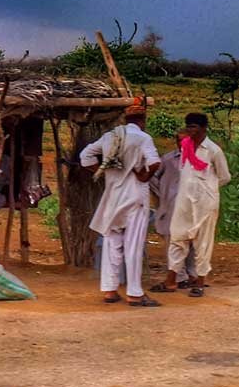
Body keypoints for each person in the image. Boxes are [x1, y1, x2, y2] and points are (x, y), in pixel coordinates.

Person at [74, 100, 161, 307]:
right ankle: (134, 294)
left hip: (113, 197)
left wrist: (101, 172)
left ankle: (110, 290)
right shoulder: (143, 138)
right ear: (142, 120)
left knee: (112, 244)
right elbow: (155, 162)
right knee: (133, 245)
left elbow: (85, 156)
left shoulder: (110, 136)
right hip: (135, 198)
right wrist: (144, 176)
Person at [166, 113, 231, 297]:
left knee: (203, 243)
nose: (190, 130)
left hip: (205, 204)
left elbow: (224, 176)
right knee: (177, 238)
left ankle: (200, 282)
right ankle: (170, 280)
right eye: (188, 126)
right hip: (184, 202)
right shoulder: (185, 147)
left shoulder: (213, 150)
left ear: (204, 128)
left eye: (194, 127)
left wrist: (206, 189)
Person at [148, 131, 196, 292]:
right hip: (172, 207)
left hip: (193, 207)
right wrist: (162, 193)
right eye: (179, 140)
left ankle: (192, 275)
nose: (181, 143)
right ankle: (180, 277)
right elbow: (152, 176)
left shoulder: (199, 158)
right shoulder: (168, 159)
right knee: (173, 241)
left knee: (191, 242)